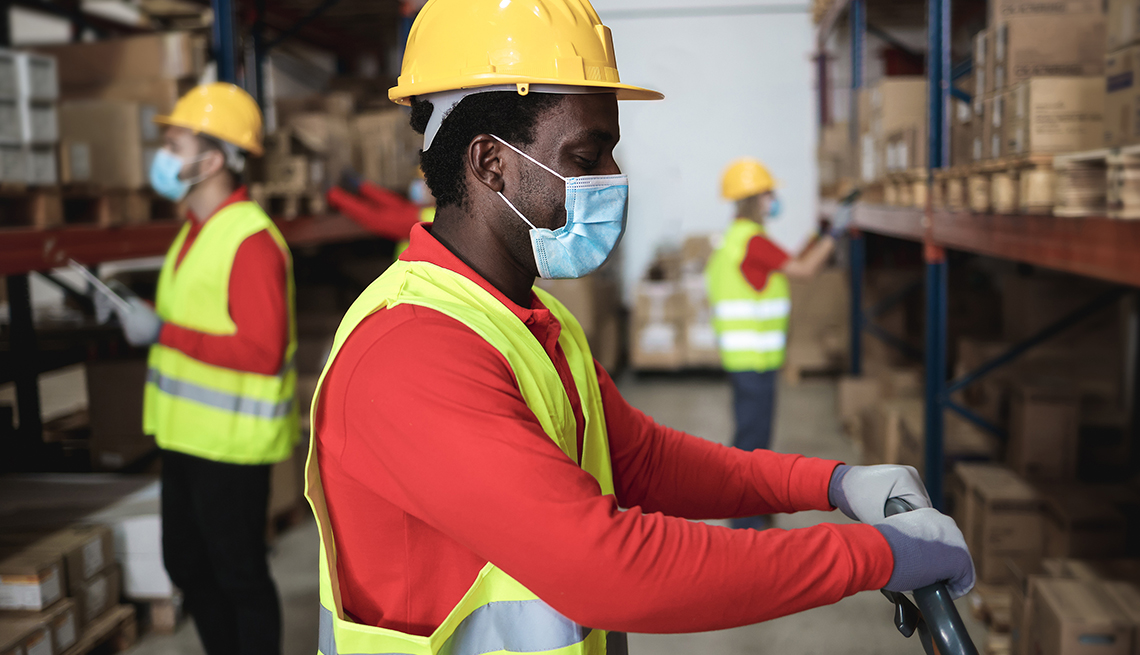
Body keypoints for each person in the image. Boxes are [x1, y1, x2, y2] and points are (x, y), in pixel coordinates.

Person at [305, 1, 973, 654]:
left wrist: (831, 482)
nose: (613, 178)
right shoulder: (412, 352)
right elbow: (609, 569)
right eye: (587, 156)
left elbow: (641, 459)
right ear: (490, 162)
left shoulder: (530, 319)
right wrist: (874, 554)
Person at [110, 83, 297, 655]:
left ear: (211, 159)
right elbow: (197, 317)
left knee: (237, 576)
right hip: (186, 438)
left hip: (232, 446)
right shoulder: (195, 231)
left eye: (174, 144)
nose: (162, 156)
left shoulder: (250, 241)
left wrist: (164, 331)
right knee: (189, 566)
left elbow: (262, 353)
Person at [706, 157, 849, 530]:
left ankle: (754, 507)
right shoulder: (753, 241)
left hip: (748, 360)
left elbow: (790, 260)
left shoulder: (743, 239)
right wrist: (835, 237)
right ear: (754, 199)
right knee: (752, 442)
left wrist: (819, 235)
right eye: (769, 194)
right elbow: (802, 270)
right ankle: (746, 520)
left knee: (753, 438)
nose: (774, 200)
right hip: (754, 360)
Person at [326, 170, 436, 257]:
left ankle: (355, 184)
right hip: (424, 228)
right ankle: (336, 193)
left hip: (426, 219)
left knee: (391, 204)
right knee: (375, 217)